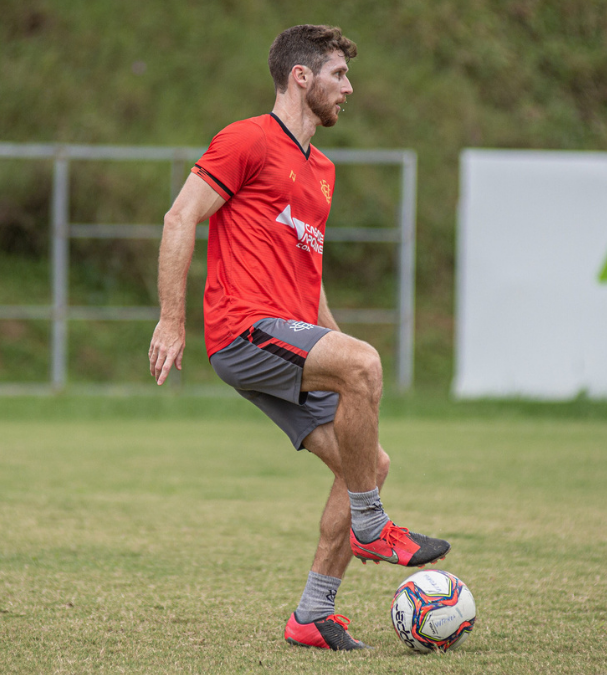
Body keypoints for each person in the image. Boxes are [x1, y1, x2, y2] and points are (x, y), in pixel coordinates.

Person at [147, 24, 449, 651]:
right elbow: (181, 216)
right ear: (301, 77)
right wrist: (171, 320)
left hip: (291, 337)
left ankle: (313, 613)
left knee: (370, 463)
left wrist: (340, 349)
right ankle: (372, 528)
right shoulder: (247, 138)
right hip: (243, 330)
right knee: (363, 370)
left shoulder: (323, 171)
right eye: (339, 75)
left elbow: (308, 281)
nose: (349, 88)